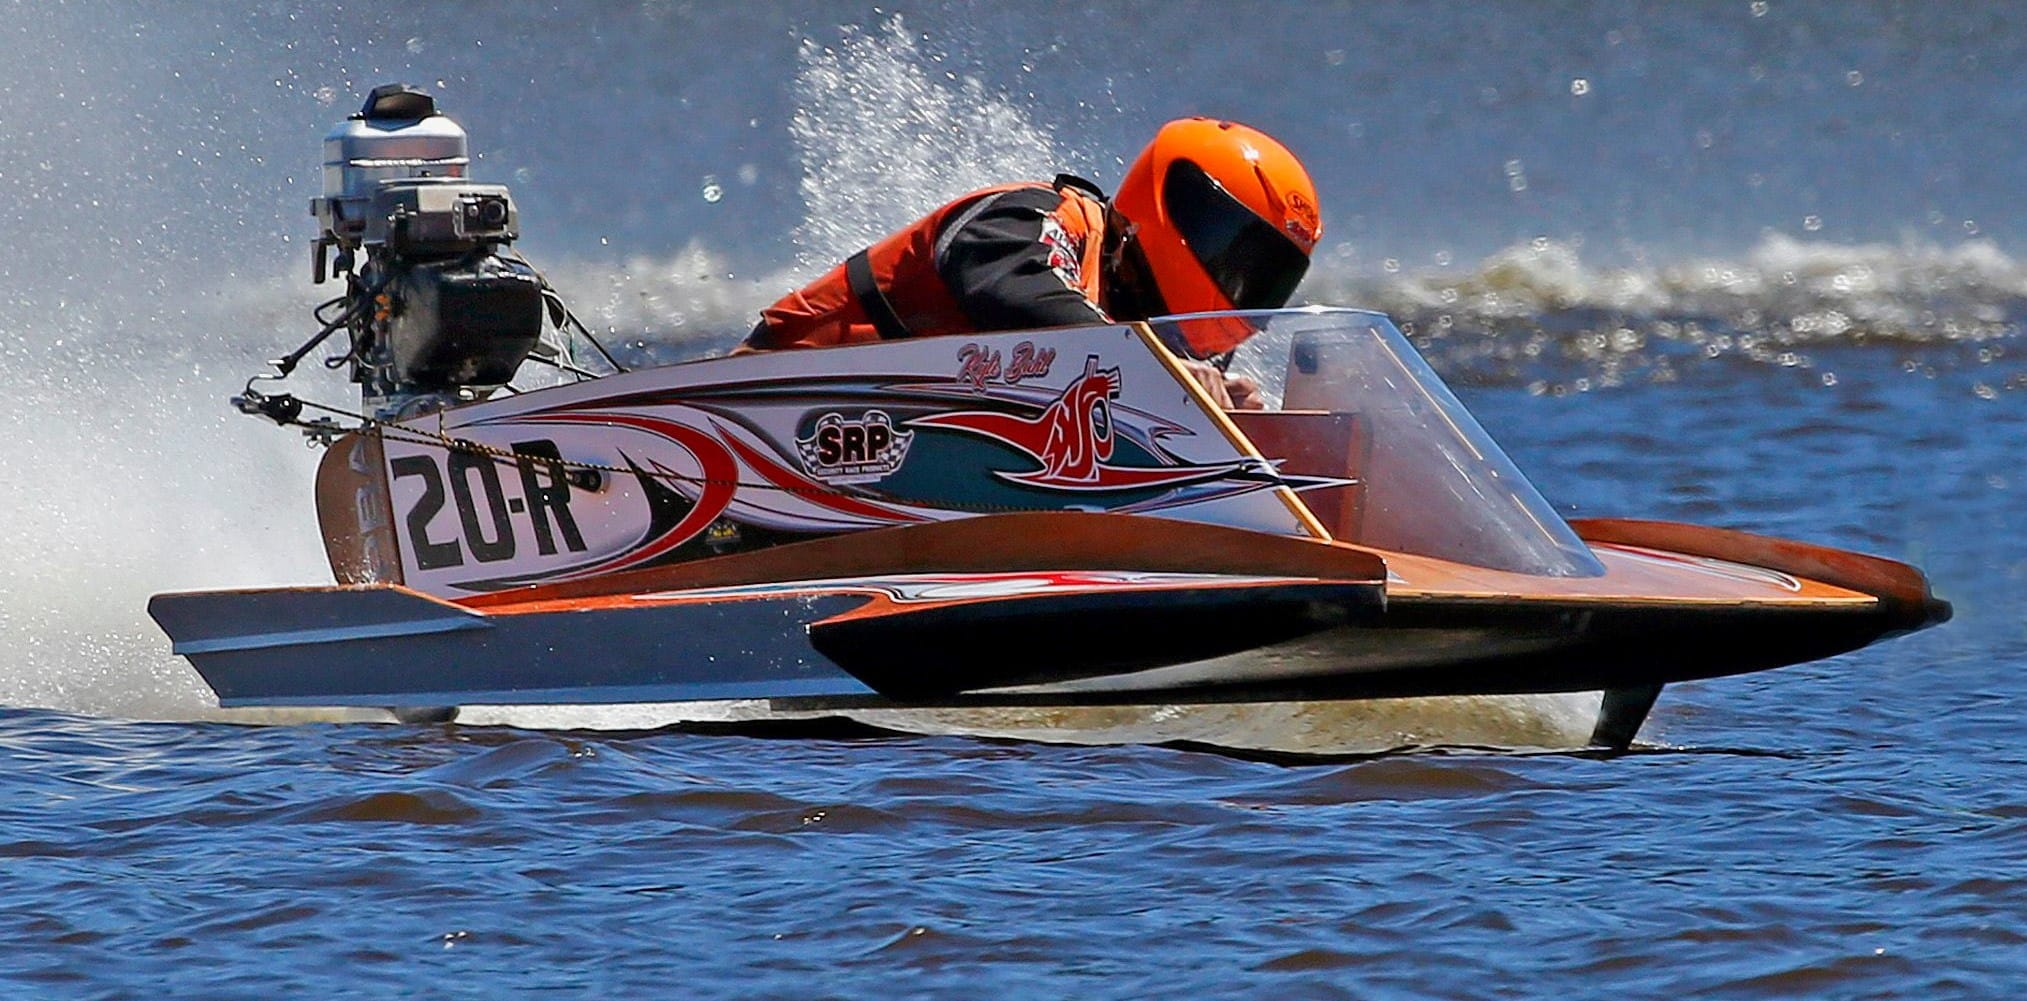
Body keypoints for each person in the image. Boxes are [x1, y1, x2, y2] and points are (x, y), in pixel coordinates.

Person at [740, 117, 1322, 409]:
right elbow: (1008, 288)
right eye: (1241, 258)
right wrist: (1159, 372)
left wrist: (1230, 420)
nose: (1246, 285)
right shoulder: (1036, 218)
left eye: (1270, 274)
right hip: (768, 408)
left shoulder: (1159, 339)